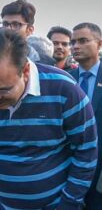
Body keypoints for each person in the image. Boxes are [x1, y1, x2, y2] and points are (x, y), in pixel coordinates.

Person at [0, 28, 97, 209]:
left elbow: (85, 150)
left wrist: (69, 203)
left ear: (25, 71)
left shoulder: (64, 89)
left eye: (3, 90)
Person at [68, 22, 102, 209]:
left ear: (99, 44)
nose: (75, 46)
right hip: (68, 168)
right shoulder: (64, 79)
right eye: (73, 42)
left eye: (83, 41)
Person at [0, 0, 56, 66]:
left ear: (29, 30)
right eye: (5, 24)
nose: (8, 28)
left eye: (16, 24)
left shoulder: (44, 65)